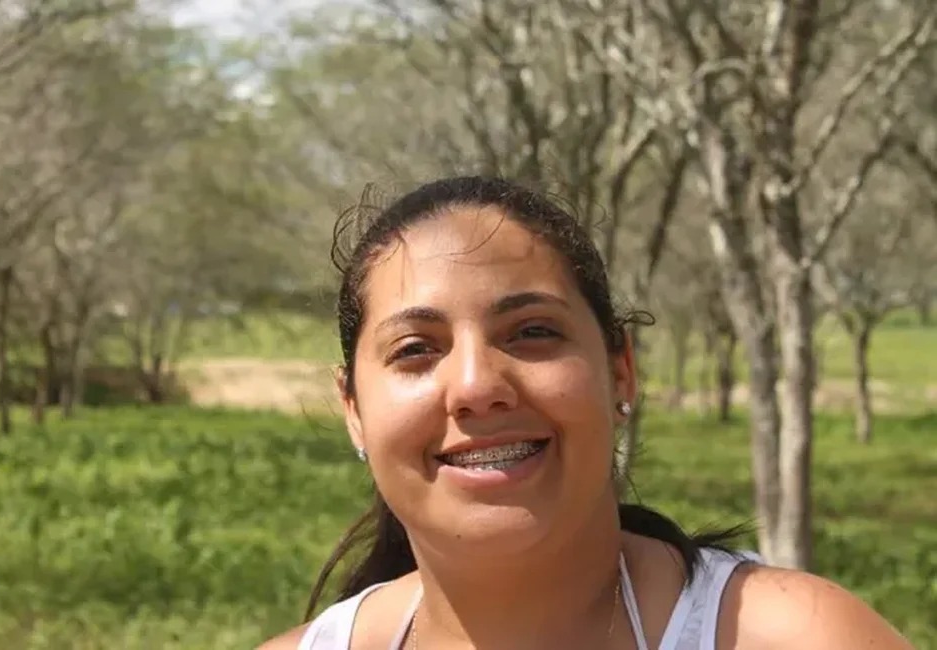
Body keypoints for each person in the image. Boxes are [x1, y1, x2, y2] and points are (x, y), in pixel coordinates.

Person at [260, 176, 913, 649]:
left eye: (532, 332)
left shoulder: (794, 636)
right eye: (415, 349)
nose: (477, 385)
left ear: (620, 368)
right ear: (353, 409)